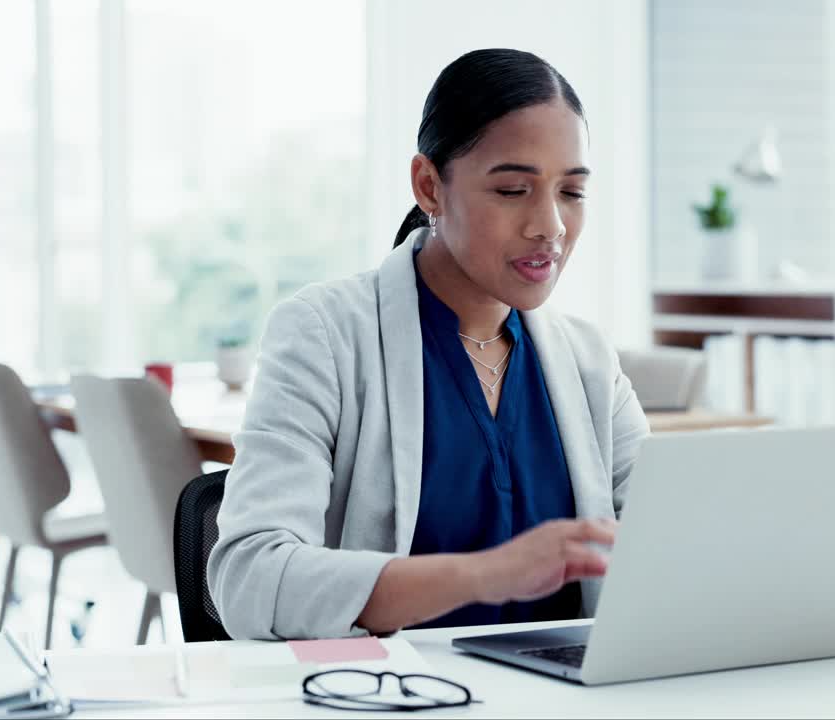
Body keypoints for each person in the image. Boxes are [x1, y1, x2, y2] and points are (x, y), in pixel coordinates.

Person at [209, 48, 648, 640]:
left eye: (572, 192)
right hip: (399, 694)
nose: (551, 225)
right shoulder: (324, 333)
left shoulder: (588, 361)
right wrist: (486, 576)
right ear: (428, 186)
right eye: (514, 189)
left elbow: (668, 544)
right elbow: (250, 580)